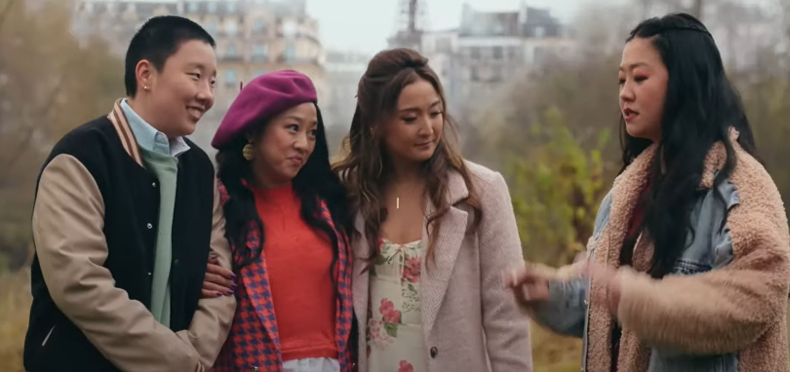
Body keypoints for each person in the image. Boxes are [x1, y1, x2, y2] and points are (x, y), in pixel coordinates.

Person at [507, 13, 790, 372]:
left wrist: (636, 298)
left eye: (640, 78)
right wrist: (551, 294)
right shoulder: (626, 192)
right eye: (621, 79)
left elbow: (756, 296)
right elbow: (607, 312)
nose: (625, 93)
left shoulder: (740, 191)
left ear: (685, 83)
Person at [23, 15, 236, 372]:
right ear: (146, 74)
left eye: (213, 81)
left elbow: (221, 283)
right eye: (195, 76)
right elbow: (81, 284)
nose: (207, 94)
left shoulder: (200, 171)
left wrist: (193, 354)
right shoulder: (81, 158)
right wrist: (177, 361)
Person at [333, 48, 533, 372]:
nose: (427, 128)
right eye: (410, 118)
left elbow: (507, 318)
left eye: (435, 113)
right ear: (375, 124)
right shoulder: (350, 194)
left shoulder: (480, 191)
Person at [205, 70, 356, 372]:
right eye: (292, 128)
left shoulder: (329, 203)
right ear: (252, 132)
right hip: (252, 362)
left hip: (334, 363)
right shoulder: (218, 205)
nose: (303, 144)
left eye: (312, 132)